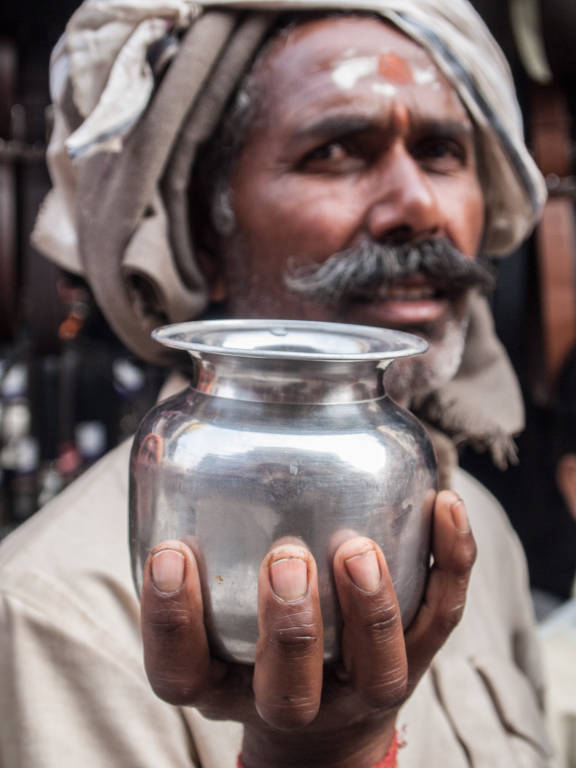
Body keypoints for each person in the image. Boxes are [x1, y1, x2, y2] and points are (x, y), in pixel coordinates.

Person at [0, 0, 554, 765]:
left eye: (440, 152)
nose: (418, 207)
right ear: (205, 238)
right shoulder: (54, 615)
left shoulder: (475, 529)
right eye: (336, 152)